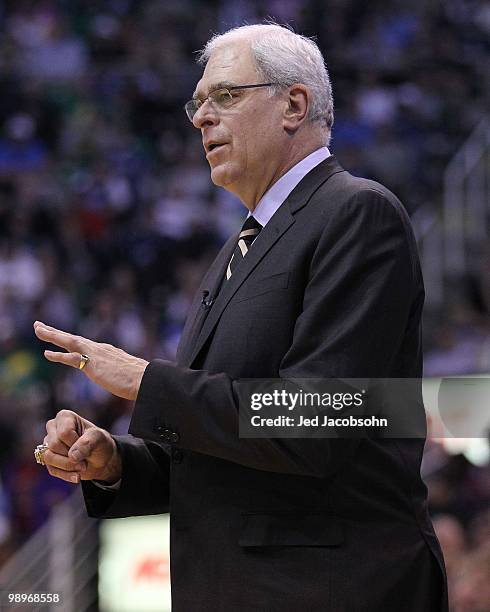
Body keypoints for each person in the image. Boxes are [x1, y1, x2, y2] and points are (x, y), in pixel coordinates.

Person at [34, 23, 448, 611]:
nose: (201, 117)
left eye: (224, 95)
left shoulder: (357, 212)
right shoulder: (236, 252)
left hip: (331, 588)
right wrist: (116, 463)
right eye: (197, 103)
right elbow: (222, 450)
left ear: (294, 104)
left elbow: (315, 418)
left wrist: (147, 382)